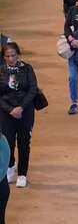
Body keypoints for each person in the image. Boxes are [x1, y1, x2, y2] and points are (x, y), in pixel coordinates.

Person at [0, 42, 37, 189]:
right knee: (8, 142)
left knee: (24, 142)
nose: (10, 59)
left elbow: (33, 90)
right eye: (7, 56)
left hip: (25, 112)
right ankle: (10, 165)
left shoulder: (27, 69)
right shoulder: (1, 71)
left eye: (13, 55)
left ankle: (22, 174)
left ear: (18, 55)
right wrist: (10, 110)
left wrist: (21, 107)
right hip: (6, 112)